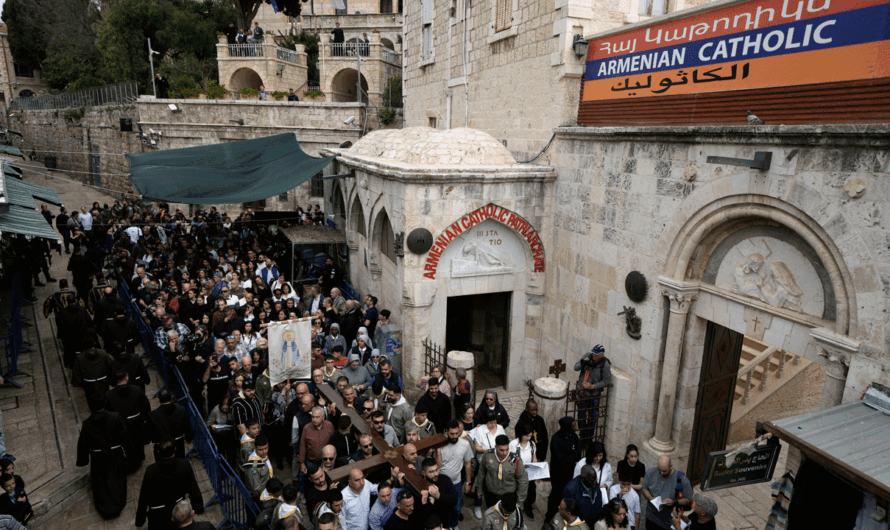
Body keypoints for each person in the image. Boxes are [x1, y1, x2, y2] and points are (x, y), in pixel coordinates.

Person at [76, 395, 129, 519]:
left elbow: (83, 443)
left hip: (98, 458)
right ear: (104, 404)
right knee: (117, 478)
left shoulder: (87, 424)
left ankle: (105, 506)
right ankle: (117, 503)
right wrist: (128, 450)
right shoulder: (115, 417)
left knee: (101, 481)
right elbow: (124, 435)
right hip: (115, 455)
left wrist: (83, 459)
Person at [136, 439, 204, 530]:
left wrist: (140, 519)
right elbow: (193, 487)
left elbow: (143, 497)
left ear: (158, 451)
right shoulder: (184, 465)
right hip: (178, 512)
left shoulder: (150, 471)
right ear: (175, 449)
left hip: (157, 516)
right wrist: (198, 506)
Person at [104, 370, 151, 471]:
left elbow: (108, 412)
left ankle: (128, 461)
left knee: (124, 444)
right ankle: (137, 460)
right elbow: (145, 407)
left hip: (120, 424)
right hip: (136, 422)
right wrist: (143, 418)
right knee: (137, 442)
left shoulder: (108, 395)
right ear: (127, 377)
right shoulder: (137, 390)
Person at [474, 435, 528, 517]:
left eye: (507, 449)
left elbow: (523, 481)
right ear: (495, 447)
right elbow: (482, 472)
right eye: (501, 450)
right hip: (491, 494)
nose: (505, 453)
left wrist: (520, 502)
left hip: (508, 496)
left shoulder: (515, 460)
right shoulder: (488, 455)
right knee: (493, 516)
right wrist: (479, 489)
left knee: (507, 517)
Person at [435, 421, 473, 529]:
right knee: (443, 508)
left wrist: (468, 482)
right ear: (446, 432)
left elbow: (468, 463)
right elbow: (438, 465)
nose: (454, 436)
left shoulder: (465, 444)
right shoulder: (440, 443)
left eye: (457, 433)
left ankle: (454, 525)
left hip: (456, 482)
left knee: (456, 507)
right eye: (452, 434)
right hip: (442, 483)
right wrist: (438, 450)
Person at [545, 417, 583, 523]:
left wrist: (569, 456)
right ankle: (549, 518)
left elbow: (578, 455)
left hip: (570, 473)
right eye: (573, 425)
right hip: (558, 474)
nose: (575, 427)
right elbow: (561, 460)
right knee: (556, 496)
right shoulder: (556, 439)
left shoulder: (574, 437)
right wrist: (572, 455)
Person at [641, 455, 692, 530]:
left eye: (664, 471)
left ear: (671, 466)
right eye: (659, 470)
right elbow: (644, 488)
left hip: (667, 522)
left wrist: (674, 502)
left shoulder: (681, 479)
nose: (661, 473)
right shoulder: (651, 472)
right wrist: (651, 498)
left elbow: (689, 500)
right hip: (651, 517)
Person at [574, 345, 611, 438]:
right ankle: (583, 436)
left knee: (592, 418)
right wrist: (583, 363)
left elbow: (606, 381)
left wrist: (593, 386)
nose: (594, 356)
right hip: (582, 393)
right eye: (593, 353)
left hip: (594, 395)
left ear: (601, 355)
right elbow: (576, 367)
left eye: (596, 354)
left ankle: (589, 437)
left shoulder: (605, 364)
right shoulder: (588, 355)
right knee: (581, 416)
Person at [147, 389, 194, 458]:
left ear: (159, 400)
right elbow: (187, 426)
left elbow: (149, 432)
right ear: (171, 398)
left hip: (161, 447)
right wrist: (188, 438)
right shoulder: (181, 409)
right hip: (178, 444)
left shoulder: (152, 415)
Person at [510, 422, 539, 519]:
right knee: (518, 491)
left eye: (530, 436)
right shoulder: (514, 445)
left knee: (531, 493)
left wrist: (535, 467)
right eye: (527, 436)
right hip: (517, 473)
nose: (528, 438)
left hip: (529, 473)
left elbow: (534, 458)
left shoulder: (532, 445)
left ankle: (528, 507)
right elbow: (510, 460)